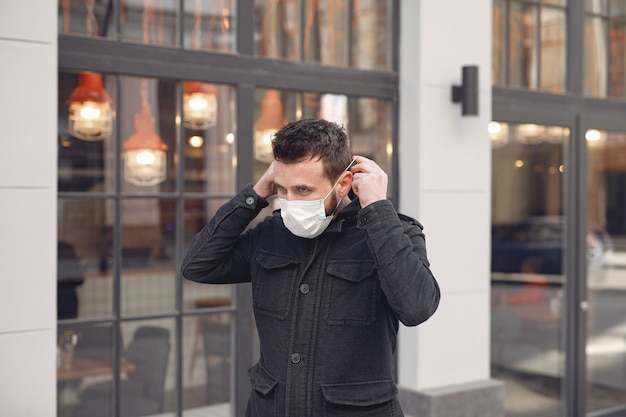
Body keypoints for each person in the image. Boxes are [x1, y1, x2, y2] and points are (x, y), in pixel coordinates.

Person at [181, 118, 440, 417]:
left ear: (343, 184)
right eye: (282, 189)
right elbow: (197, 266)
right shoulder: (270, 234)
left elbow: (417, 308)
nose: (290, 202)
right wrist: (255, 195)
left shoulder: (393, 232)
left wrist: (378, 209)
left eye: (303, 190)